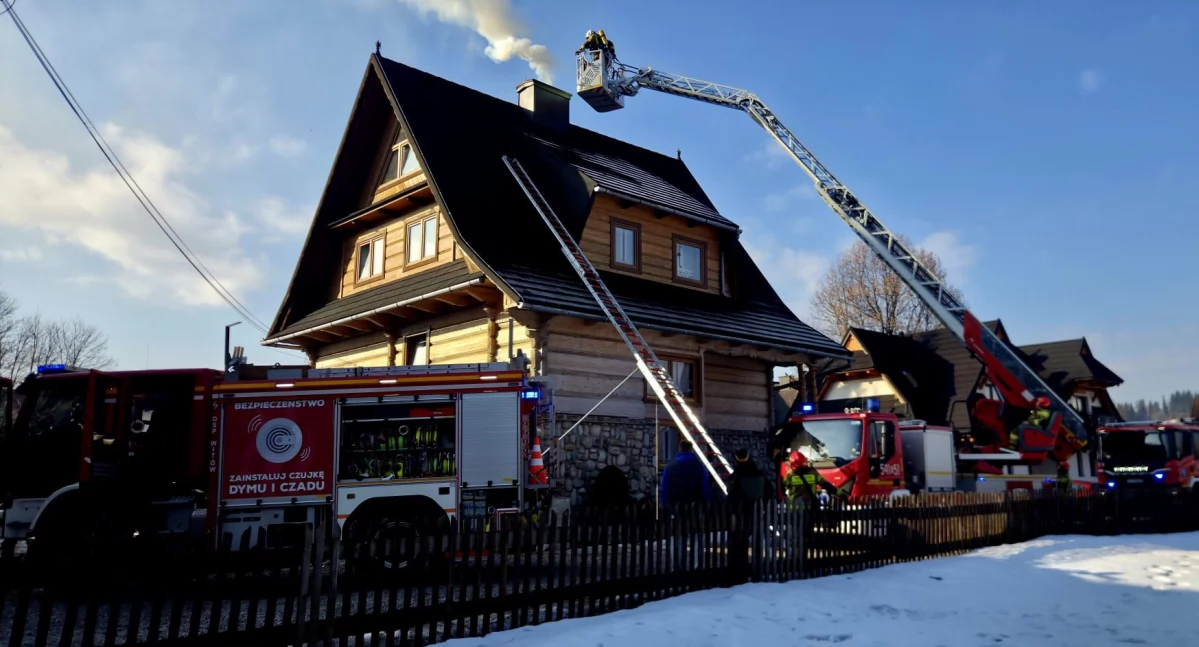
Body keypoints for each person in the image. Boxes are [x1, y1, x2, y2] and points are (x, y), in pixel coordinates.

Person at [659, 439, 712, 508]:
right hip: (694, 508)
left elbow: (664, 488)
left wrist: (664, 505)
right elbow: (705, 487)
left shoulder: (669, 467)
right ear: (691, 449)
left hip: (674, 507)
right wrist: (707, 503)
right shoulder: (699, 466)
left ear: (679, 449)